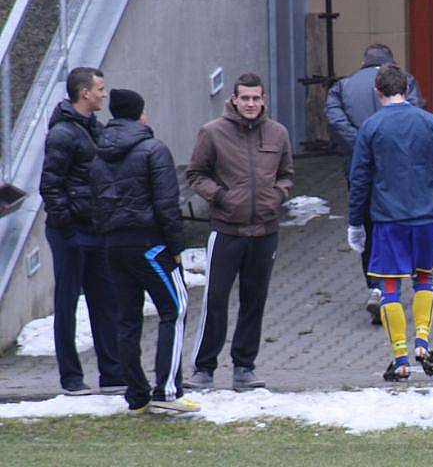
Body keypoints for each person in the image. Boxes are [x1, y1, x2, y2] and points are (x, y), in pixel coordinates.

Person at [348, 63, 433, 381]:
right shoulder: (430, 122)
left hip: (387, 219)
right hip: (425, 216)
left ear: (376, 92)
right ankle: (423, 341)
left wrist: (356, 222)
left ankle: (400, 358)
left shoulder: (370, 127)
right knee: (425, 278)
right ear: (407, 90)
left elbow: (360, 178)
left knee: (390, 287)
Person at [90, 89, 198, 414]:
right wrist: (176, 247)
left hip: (113, 246)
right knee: (175, 309)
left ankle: (137, 396)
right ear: (140, 114)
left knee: (127, 320)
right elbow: (167, 204)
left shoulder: (98, 155)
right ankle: (167, 392)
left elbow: (95, 203)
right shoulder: (154, 149)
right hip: (150, 245)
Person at [185, 72, 294, 390]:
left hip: (265, 231)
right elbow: (196, 173)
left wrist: (278, 196)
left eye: (255, 98)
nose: (250, 103)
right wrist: (220, 197)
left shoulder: (278, 134)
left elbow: (287, 174)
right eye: (244, 98)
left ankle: (244, 367)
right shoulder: (212, 133)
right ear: (233, 100)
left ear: (263, 100)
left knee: (254, 300)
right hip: (226, 231)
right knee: (215, 299)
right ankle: (204, 368)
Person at [39, 67, 125, 395]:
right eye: (100, 89)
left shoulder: (95, 129)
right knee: (67, 304)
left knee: (106, 301)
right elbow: (50, 185)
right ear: (84, 93)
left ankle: (113, 374)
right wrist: (68, 226)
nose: (105, 94)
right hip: (71, 233)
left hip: (96, 230)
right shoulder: (62, 134)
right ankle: (71, 378)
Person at [326, 43, 422, 324]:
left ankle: (375, 286)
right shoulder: (407, 82)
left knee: (366, 226)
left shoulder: (342, 88)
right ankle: (391, 288)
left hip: (358, 169)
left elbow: (335, 121)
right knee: (394, 227)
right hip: (398, 170)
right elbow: (412, 114)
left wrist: (363, 145)